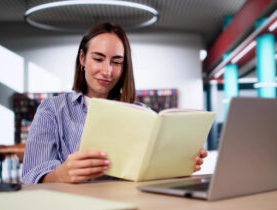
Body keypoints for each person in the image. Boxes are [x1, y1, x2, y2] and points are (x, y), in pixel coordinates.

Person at [22, 22, 207, 184]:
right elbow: (32, 176)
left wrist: (178, 164)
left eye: (116, 62)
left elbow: (149, 174)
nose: (107, 71)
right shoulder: (52, 110)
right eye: (98, 59)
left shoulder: (142, 114)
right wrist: (60, 175)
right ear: (82, 59)